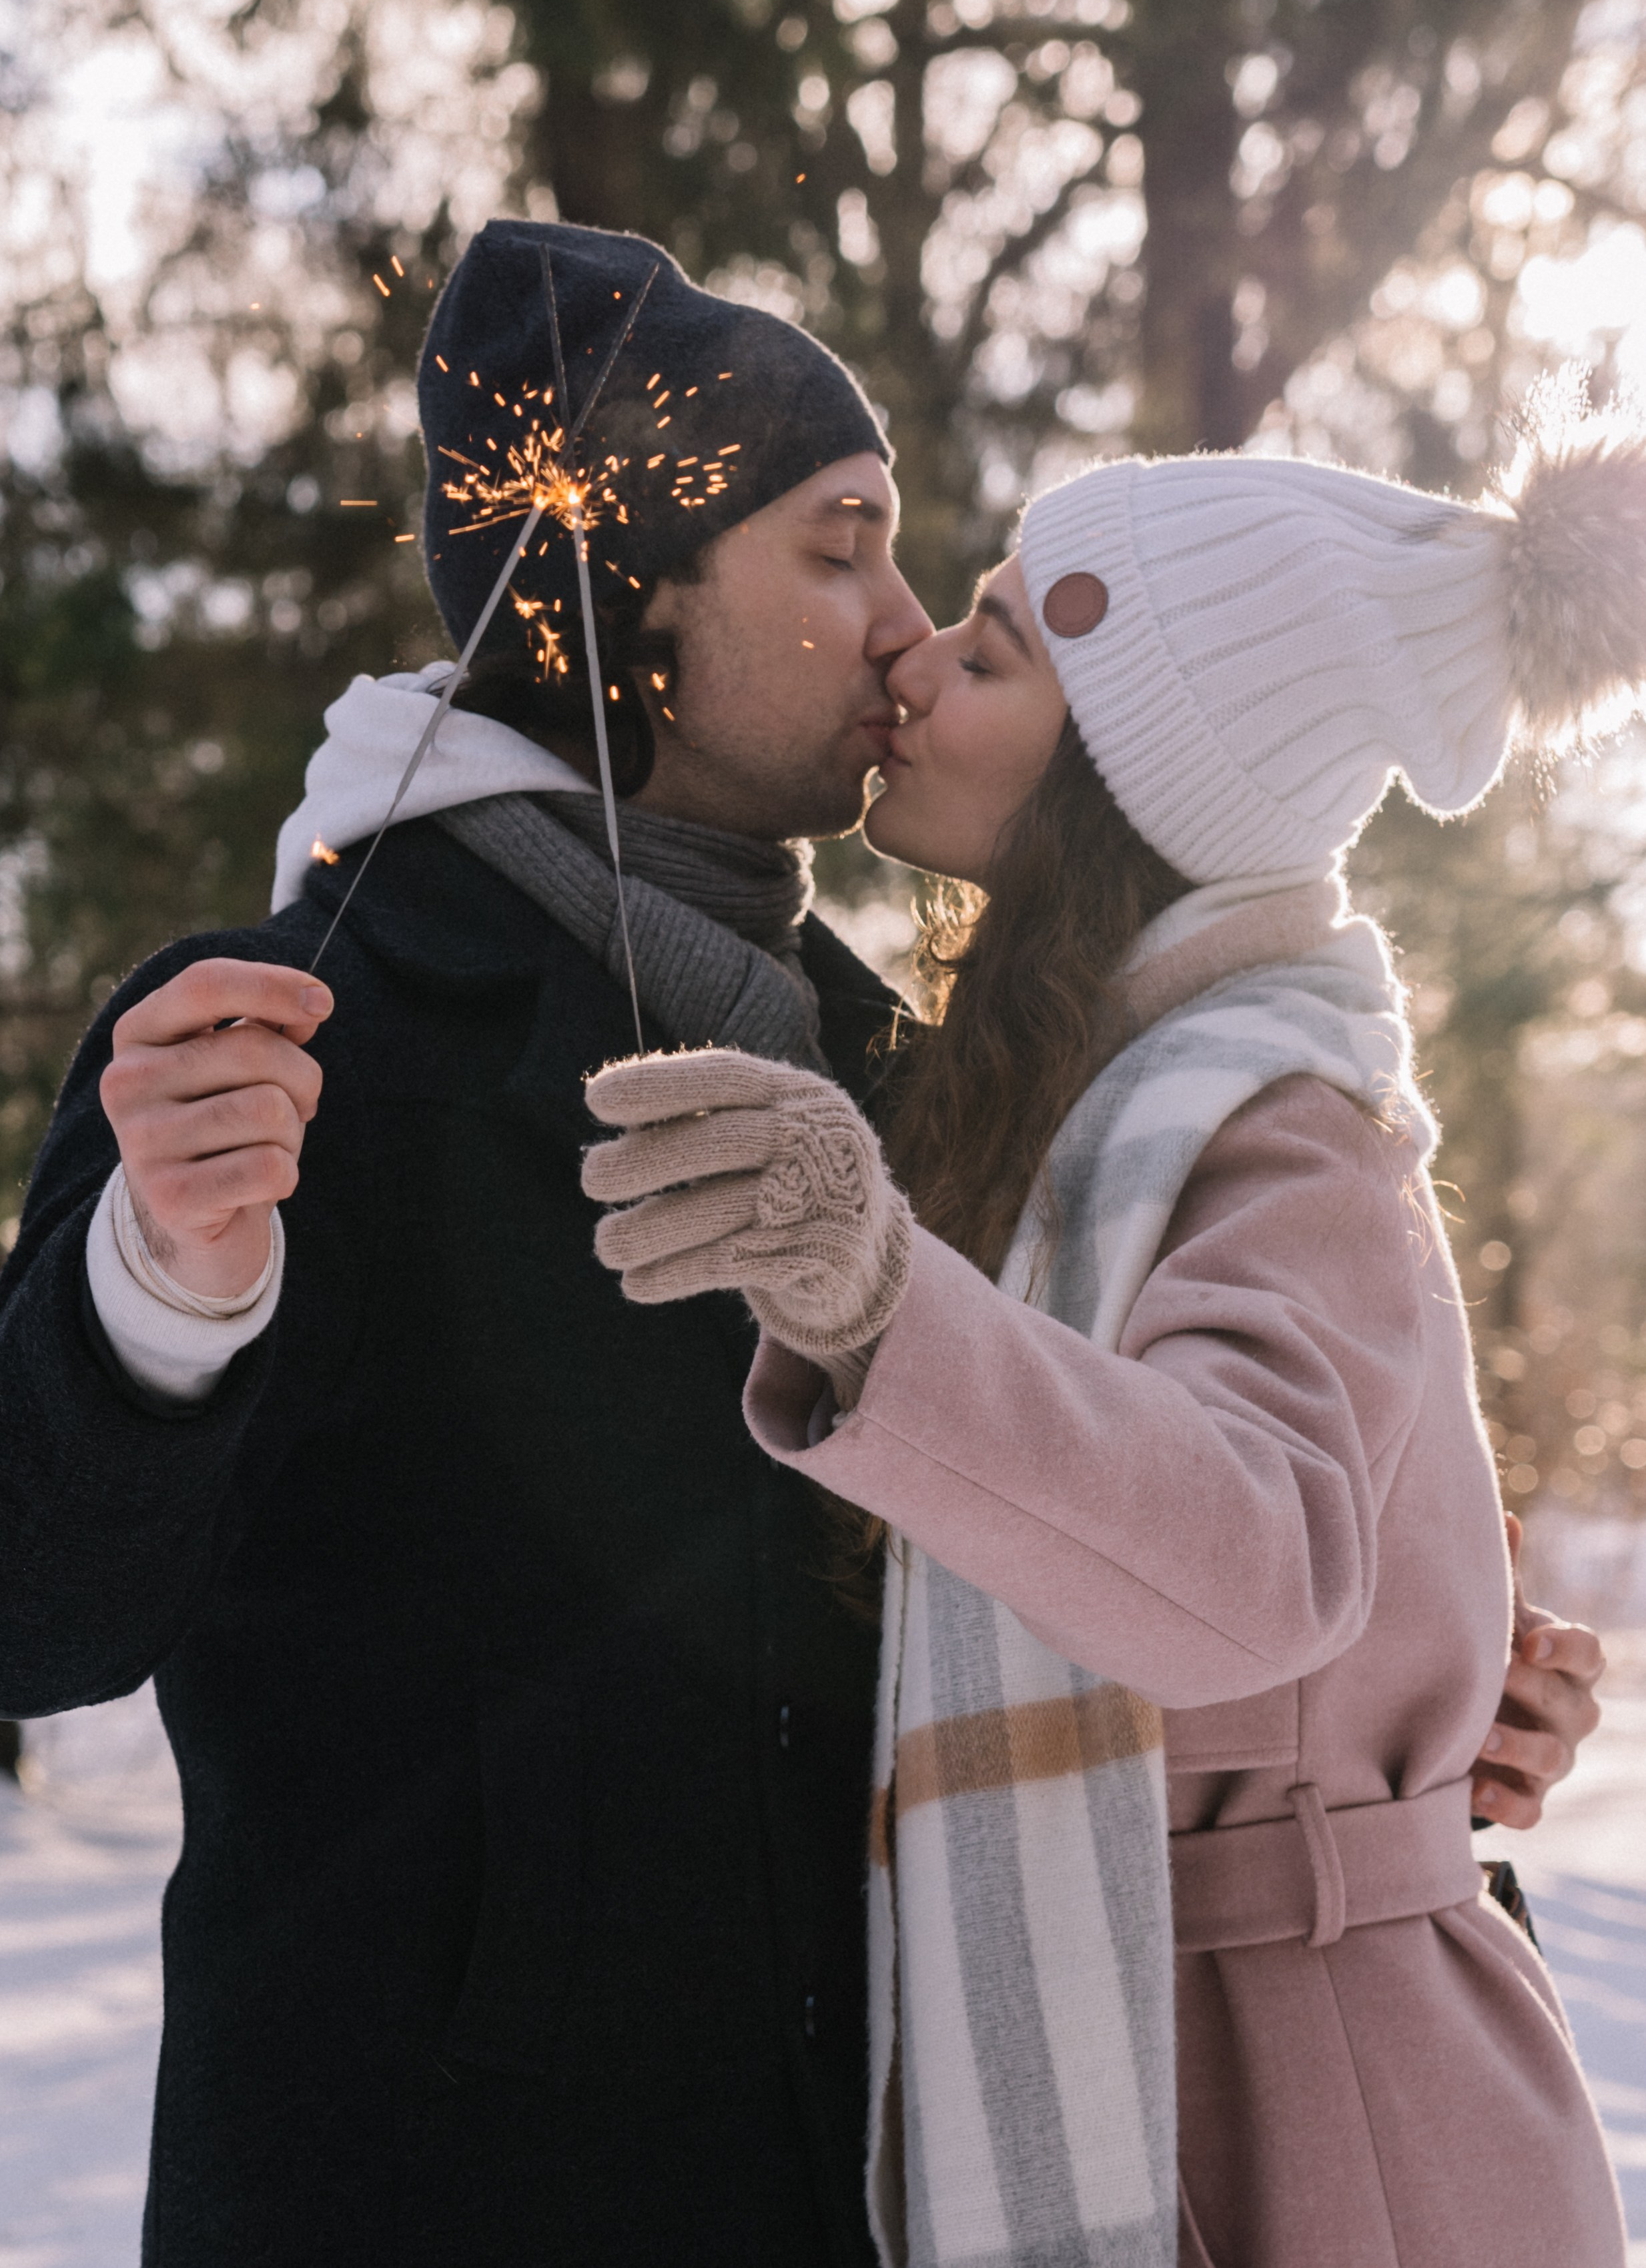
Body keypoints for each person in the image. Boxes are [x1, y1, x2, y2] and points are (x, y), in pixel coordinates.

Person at [0, 217, 1601, 2265]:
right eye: (839, 547)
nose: (903, 627)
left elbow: (1103, 1516)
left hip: (859, 2192)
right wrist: (160, 1296)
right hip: (428, 2198)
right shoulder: (297, 1039)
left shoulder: (907, 1079)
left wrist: (1396, 1694)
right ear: (621, 594)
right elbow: (38, 1616)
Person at [581, 386, 1637, 2268]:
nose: (913, 659)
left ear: (1131, 782)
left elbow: (1256, 1559)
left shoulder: (1278, 1125)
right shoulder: (1071, 1105)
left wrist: (877, 1296)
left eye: (990, 653)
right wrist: (1454, 1657)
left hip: (1322, 2116)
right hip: (1188, 2041)